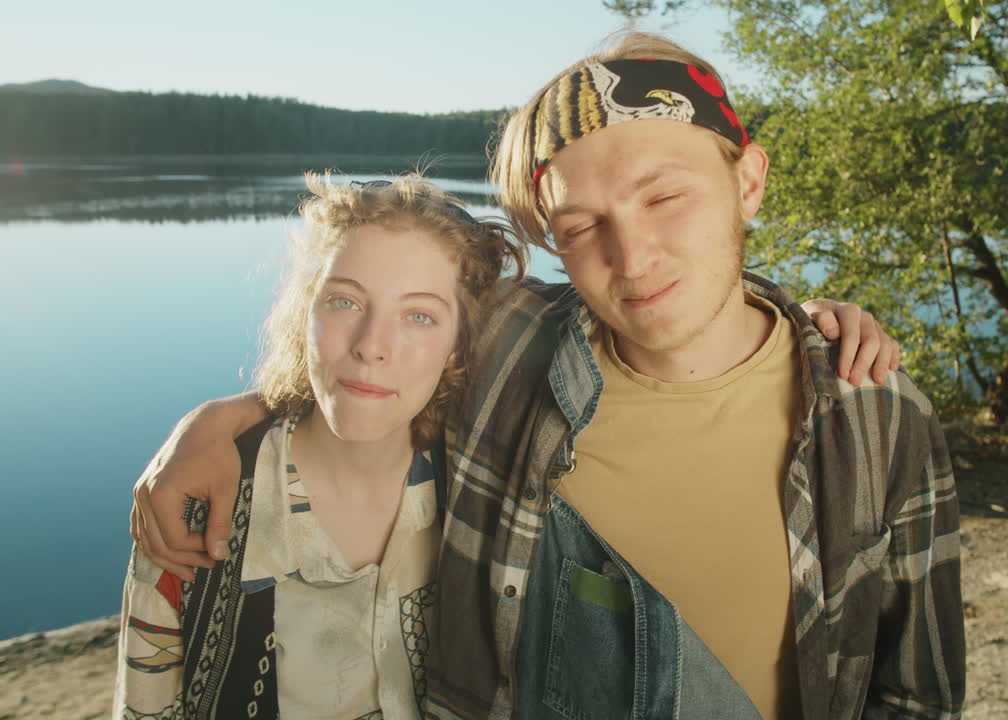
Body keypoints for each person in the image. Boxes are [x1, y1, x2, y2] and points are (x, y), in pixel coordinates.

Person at [132, 32, 963, 720]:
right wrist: (224, 419)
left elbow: (916, 689)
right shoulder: (512, 345)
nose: (632, 258)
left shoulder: (877, 418)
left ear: (748, 182)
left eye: (664, 197)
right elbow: (373, 343)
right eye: (580, 224)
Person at [114, 173, 524, 720]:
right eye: (345, 302)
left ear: (458, 347)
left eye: (419, 315)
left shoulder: (483, 493)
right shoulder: (196, 504)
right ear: (303, 312)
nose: (371, 347)